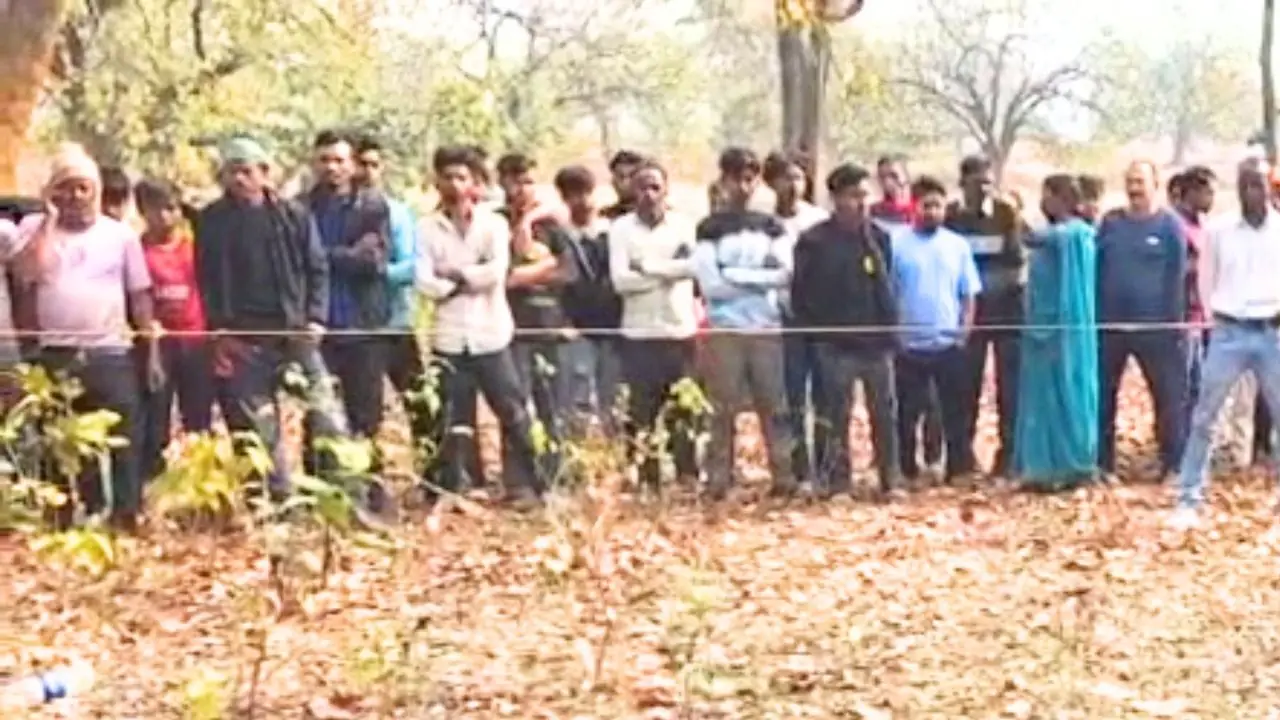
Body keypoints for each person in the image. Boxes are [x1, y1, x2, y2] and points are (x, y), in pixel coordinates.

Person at [195, 137, 354, 500]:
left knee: (327, 415)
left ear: (264, 173)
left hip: (295, 332)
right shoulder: (211, 220)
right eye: (231, 172)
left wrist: (316, 318)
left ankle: (341, 497)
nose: (238, 179)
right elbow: (206, 280)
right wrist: (219, 331)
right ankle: (277, 504)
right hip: (243, 339)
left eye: (246, 171)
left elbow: (317, 268)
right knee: (259, 430)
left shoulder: (293, 215)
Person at [12, 145, 160, 531]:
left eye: (83, 188)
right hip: (54, 353)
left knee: (123, 437)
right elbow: (26, 275)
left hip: (110, 352)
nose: (75, 196)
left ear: (95, 190)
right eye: (65, 187)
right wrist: (48, 219)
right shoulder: (34, 229)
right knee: (58, 439)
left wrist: (151, 351)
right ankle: (63, 516)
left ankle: (125, 515)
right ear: (52, 191)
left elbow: (140, 297)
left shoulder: (120, 236)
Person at [415, 145, 542, 507]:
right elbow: (424, 282)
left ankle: (532, 485)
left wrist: (455, 276)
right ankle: (458, 487)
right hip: (449, 338)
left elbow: (496, 273)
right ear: (436, 182)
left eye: (461, 177)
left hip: (491, 334)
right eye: (447, 177)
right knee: (454, 418)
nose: (454, 184)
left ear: (474, 183)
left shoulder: (493, 224)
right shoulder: (427, 228)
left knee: (513, 413)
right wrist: (466, 279)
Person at [1171, 159, 1280, 529]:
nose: (1252, 192)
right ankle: (1188, 498)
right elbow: (1206, 278)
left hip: (1272, 332)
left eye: (1258, 184)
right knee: (1205, 416)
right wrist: (1214, 316)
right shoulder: (1219, 231)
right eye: (1246, 185)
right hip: (1229, 332)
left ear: (1269, 187)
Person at [792, 164, 900, 498]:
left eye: (865, 195)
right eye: (854, 196)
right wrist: (820, 334)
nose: (861, 202)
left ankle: (890, 481)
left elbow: (887, 287)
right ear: (836, 199)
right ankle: (836, 482)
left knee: (884, 415)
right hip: (834, 346)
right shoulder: (814, 241)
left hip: (876, 345)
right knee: (834, 415)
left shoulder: (879, 237)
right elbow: (801, 295)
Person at [693, 147, 795, 500]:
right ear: (723, 181)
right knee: (721, 409)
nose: (743, 186)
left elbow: (784, 274)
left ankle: (784, 476)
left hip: (766, 327)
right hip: (725, 329)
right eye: (736, 178)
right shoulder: (709, 229)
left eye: (750, 179)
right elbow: (711, 286)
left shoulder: (772, 226)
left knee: (774, 406)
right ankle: (718, 480)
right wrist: (757, 277)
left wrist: (734, 274)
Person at [608, 159, 701, 491]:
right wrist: (668, 271)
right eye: (641, 187)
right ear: (631, 191)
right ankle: (648, 479)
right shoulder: (620, 229)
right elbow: (621, 282)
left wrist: (646, 267)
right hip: (639, 334)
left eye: (654, 187)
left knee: (683, 410)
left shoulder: (684, 226)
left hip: (680, 331)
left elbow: (693, 268)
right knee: (642, 412)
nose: (648, 194)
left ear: (666, 190)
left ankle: (687, 474)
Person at [1096, 160, 1188, 480]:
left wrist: (1174, 324)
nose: (1134, 188)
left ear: (1155, 185)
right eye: (1130, 181)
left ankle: (1173, 464)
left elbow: (1177, 277)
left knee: (1168, 398)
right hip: (1111, 328)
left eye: (1140, 181)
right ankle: (1102, 464)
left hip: (1157, 329)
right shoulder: (1110, 223)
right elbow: (1098, 268)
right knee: (1103, 397)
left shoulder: (1170, 225)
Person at [305, 130, 393, 460]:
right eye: (324, 160)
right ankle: (321, 484)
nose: (332, 167)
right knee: (318, 415)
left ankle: (370, 485)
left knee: (366, 416)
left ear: (353, 165)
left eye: (339, 160)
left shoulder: (371, 206)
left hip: (362, 326)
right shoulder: (301, 208)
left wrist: (321, 256)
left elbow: (372, 261)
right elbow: (296, 263)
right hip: (318, 328)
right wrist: (345, 254)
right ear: (314, 163)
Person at [892, 175, 982, 483]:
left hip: (948, 344)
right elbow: (888, 291)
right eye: (926, 205)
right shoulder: (895, 243)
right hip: (908, 345)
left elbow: (968, 293)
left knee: (955, 412)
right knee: (906, 413)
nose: (932, 212)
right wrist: (894, 335)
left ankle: (958, 469)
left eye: (938, 206)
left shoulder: (957, 245)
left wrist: (964, 331)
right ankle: (906, 470)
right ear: (914, 206)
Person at [1014, 175, 1098, 489]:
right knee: (1042, 396)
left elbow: (1032, 237)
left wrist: (1013, 211)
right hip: (1040, 327)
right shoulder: (1060, 233)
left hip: (1066, 329)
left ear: (1061, 199)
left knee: (1068, 390)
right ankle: (1042, 466)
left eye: (1046, 196)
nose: (1042, 202)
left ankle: (1072, 464)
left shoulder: (1075, 233)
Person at [496, 152, 576, 483]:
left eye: (529, 181)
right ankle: (519, 482)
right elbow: (502, 274)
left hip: (551, 328)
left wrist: (528, 274)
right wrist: (544, 265)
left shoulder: (552, 226)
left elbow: (569, 272)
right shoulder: (493, 223)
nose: (523, 189)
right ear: (502, 182)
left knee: (553, 409)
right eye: (515, 181)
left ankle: (555, 479)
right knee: (515, 409)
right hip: (510, 330)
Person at [945, 155, 1026, 478]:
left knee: (1011, 389)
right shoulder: (952, 217)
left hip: (1007, 311)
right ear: (963, 184)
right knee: (964, 388)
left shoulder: (1006, 214)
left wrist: (984, 284)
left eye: (988, 183)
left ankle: (1009, 458)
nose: (984, 189)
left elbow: (1016, 261)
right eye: (977, 183)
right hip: (969, 314)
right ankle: (961, 459)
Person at [134, 178, 214, 480]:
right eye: (156, 209)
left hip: (196, 342)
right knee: (155, 422)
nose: (165, 216)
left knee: (198, 419)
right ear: (143, 212)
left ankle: (200, 485)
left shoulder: (196, 246)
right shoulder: (137, 250)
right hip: (157, 347)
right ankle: (154, 484)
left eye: (171, 208)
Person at [871, 153, 943, 471]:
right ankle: (902, 460)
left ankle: (934, 455)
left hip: (934, 321)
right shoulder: (873, 214)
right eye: (883, 176)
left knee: (935, 401)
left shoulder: (922, 214)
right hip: (898, 318)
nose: (890, 182)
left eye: (895, 175)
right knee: (902, 398)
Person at [763, 150, 828, 486]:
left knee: (824, 396)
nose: (792, 185)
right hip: (780, 320)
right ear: (771, 182)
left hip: (818, 318)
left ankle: (825, 469)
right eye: (784, 178)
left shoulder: (818, 221)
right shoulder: (761, 223)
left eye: (798, 177)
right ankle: (799, 470)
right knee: (791, 397)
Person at [555, 165, 624, 436]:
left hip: (614, 326)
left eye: (586, 192)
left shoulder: (613, 233)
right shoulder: (560, 236)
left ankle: (617, 452)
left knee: (614, 398)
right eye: (573, 194)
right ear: (564, 199)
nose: (582, 201)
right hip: (577, 327)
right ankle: (577, 455)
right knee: (577, 396)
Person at [602, 150, 644, 220]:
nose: (626, 182)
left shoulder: (655, 216)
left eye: (632, 176)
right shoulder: (605, 217)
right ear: (613, 182)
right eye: (620, 176)